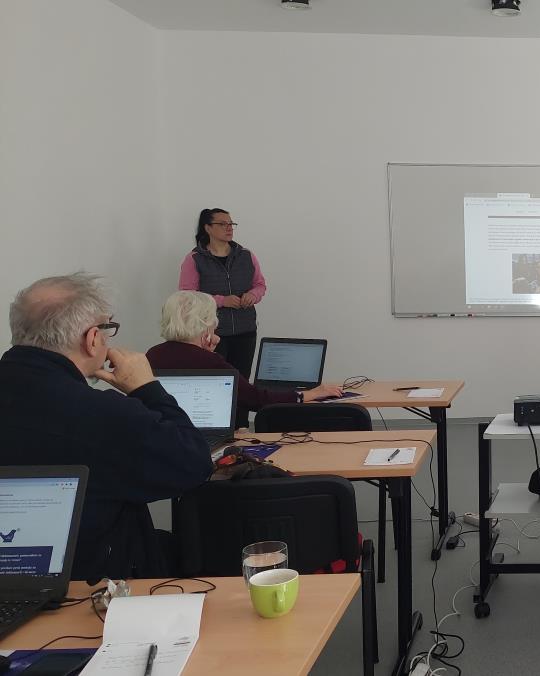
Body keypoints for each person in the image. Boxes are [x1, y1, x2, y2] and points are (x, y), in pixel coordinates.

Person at [0, 274, 213, 582]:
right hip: (90, 594)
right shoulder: (102, 414)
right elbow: (193, 463)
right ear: (92, 339)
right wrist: (147, 388)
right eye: (107, 329)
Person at [146, 292, 342, 425]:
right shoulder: (210, 362)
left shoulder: (151, 355)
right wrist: (310, 394)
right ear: (205, 325)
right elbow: (257, 400)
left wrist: (208, 353)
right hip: (198, 440)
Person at [179, 208, 266, 379]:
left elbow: (260, 284)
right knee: (214, 381)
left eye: (231, 224)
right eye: (222, 224)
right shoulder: (194, 259)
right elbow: (187, 295)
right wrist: (221, 301)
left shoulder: (246, 255)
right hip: (211, 334)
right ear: (208, 228)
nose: (229, 228)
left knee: (242, 381)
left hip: (245, 331)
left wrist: (253, 295)